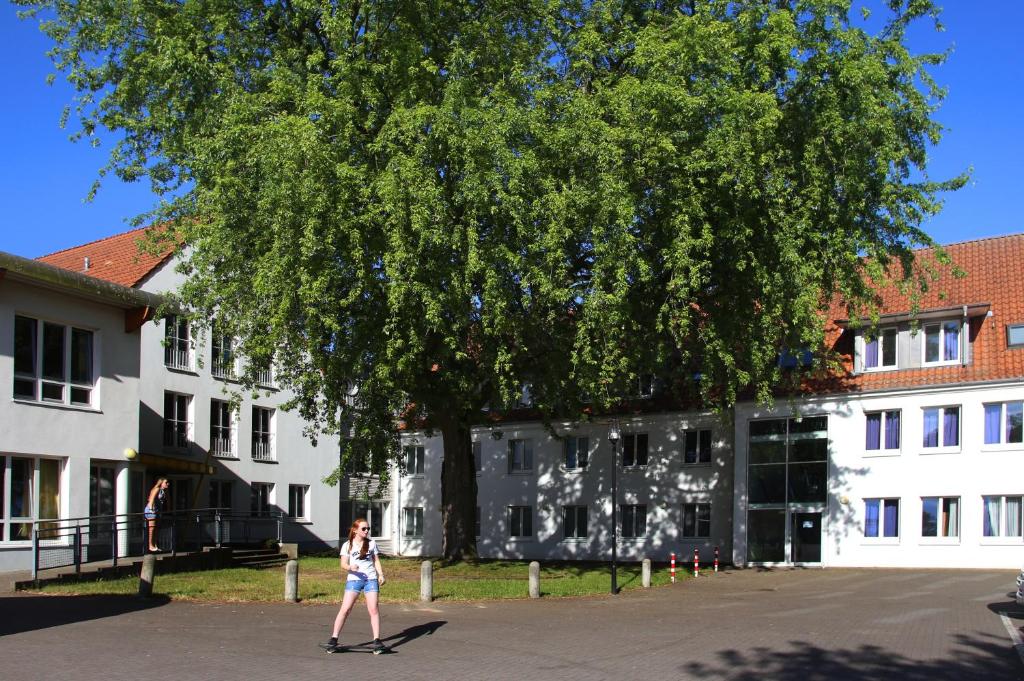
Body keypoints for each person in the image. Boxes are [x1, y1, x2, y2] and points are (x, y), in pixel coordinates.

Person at [324, 518, 387, 654]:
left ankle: (376, 639)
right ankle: (334, 638)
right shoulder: (347, 545)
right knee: (345, 609)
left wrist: (381, 574)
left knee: (373, 609)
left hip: (371, 579)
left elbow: (376, 561)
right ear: (355, 530)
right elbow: (343, 564)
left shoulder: (371, 544)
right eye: (363, 529)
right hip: (354, 580)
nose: (366, 531)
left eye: (368, 529)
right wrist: (350, 567)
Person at [144, 477, 169, 552]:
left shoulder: (163, 491)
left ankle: (155, 545)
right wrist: (151, 510)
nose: (168, 484)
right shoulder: (157, 489)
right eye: (166, 482)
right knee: (152, 528)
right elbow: (151, 499)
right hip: (151, 510)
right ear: (161, 483)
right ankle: (150, 546)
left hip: (158, 511)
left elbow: (166, 500)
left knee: (156, 529)